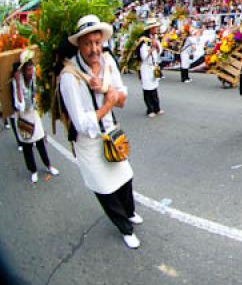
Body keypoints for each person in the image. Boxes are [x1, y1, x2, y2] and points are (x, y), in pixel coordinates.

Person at [59, 14, 143, 249]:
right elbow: (82, 123)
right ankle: (125, 229)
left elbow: (123, 98)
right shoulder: (69, 77)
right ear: (79, 45)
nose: (94, 49)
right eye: (88, 43)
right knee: (104, 188)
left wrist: (106, 89)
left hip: (110, 131)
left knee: (125, 176)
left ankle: (130, 211)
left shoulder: (108, 62)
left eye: (98, 42)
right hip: (88, 141)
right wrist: (108, 102)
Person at [11, 48, 59, 183]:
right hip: (22, 115)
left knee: (40, 141)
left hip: (33, 114)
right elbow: (19, 103)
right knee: (27, 145)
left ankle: (48, 165)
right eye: (28, 70)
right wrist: (19, 85)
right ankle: (33, 170)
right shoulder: (16, 81)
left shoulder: (34, 78)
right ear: (22, 70)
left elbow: (38, 95)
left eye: (32, 69)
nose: (30, 72)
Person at [139, 18, 164, 118]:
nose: (157, 29)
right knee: (147, 88)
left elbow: (160, 50)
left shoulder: (156, 37)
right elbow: (143, 56)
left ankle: (156, 108)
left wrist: (157, 47)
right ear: (151, 28)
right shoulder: (143, 40)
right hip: (146, 67)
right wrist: (151, 48)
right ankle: (149, 109)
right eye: (155, 27)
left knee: (154, 87)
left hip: (154, 66)